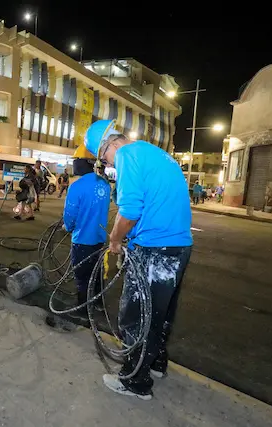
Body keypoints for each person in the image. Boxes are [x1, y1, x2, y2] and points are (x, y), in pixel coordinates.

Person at [83, 119, 192, 400]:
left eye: (103, 159)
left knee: (136, 317)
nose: (108, 166)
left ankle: (136, 382)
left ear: (109, 146)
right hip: (178, 246)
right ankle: (155, 363)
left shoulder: (127, 156)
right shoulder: (151, 151)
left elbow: (131, 209)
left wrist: (115, 240)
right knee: (160, 313)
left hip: (155, 248)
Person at [62, 145, 110, 320]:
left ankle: (82, 309)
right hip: (99, 238)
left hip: (82, 239)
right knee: (96, 272)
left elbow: (70, 216)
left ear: (84, 163)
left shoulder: (76, 187)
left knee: (82, 276)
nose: (74, 164)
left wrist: (67, 227)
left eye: (76, 161)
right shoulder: (104, 185)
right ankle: (98, 303)